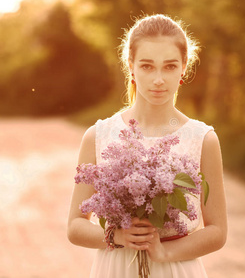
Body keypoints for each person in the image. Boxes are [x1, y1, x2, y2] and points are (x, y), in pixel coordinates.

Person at [67, 14, 227, 277]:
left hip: (176, 269)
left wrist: (165, 253)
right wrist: (117, 236)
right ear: (131, 66)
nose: (159, 79)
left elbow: (218, 231)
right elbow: (75, 226)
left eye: (170, 66)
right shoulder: (98, 135)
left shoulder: (203, 139)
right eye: (147, 66)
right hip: (116, 268)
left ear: (184, 67)